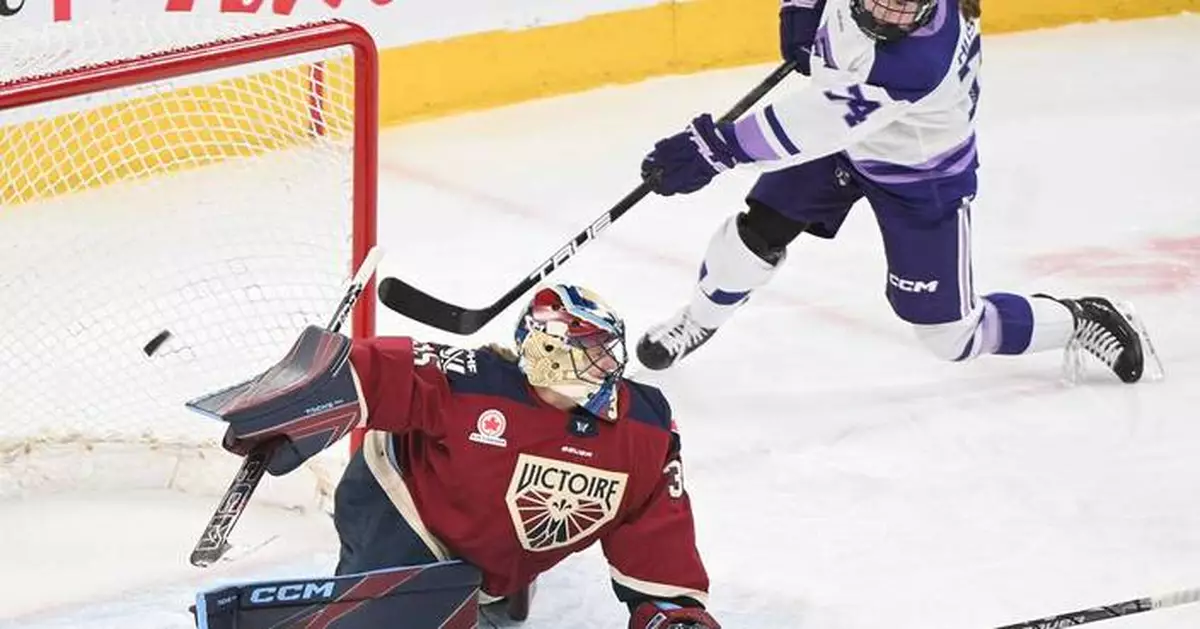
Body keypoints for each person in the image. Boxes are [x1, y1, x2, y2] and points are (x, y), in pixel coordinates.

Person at [633, 0, 1161, 384]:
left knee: (951, 337)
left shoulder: (912, 63)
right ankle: (697, 321)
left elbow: (808, 126)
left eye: (905, 7)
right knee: (757, 230)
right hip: (845, 145)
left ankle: (1079, 318)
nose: (889, 14)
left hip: (919, 176)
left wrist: (713, 148)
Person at [190, 283, 721, 629]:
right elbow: (375, 370)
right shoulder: (478, 384)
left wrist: (672, 612)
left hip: (493, 535)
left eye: (607, 349)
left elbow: (656, 526)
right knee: (396, 617)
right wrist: (302, 399)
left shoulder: (646, 427)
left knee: (485, 591)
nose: (606, 364)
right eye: (588, 351)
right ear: (546, 359)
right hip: (404, 503)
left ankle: (491, 587)